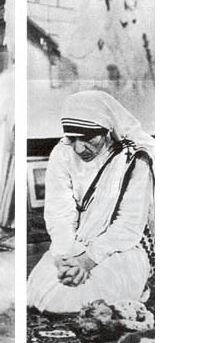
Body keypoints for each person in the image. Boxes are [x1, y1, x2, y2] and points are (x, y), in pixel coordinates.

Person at [27, 90, 155, 314]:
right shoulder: (62, 153)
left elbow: (128, 226)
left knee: (83, 299)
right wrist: (64, 257)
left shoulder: (134, 159)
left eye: (88, 138)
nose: (79, 148)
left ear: (107, 131)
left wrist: (87, 261)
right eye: (72, 138)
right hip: (74, 244)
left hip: (122, 247)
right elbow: (59, 213)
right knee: (41, 293)